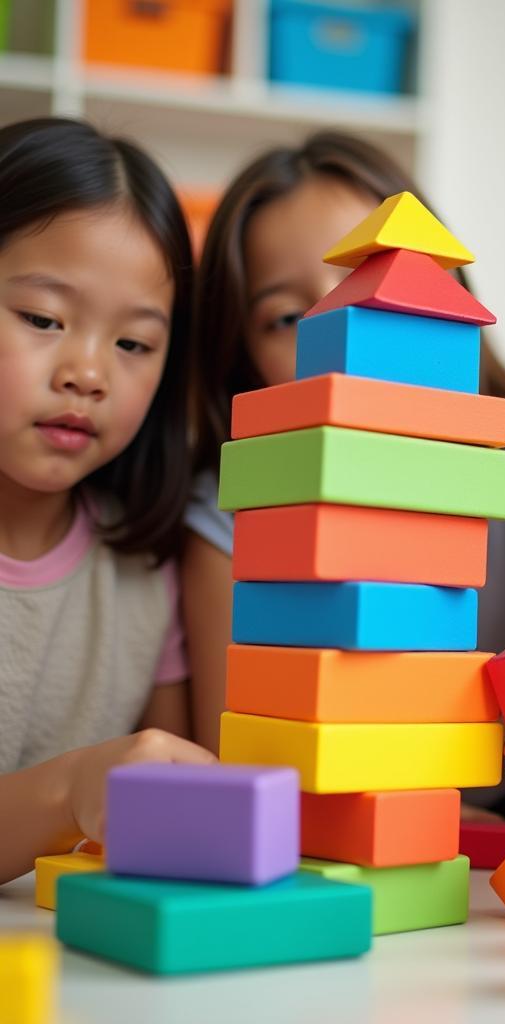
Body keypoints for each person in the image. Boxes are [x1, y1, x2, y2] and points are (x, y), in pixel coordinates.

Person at [183, 132, 505, 813]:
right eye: (287, 316)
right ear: (241, 358)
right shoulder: (231, 513)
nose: (344, 332)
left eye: (368, 279)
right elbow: (246, 771)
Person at [0, 118, 216, 885]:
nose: (87, 373)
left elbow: (172, 806)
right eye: (43, 319)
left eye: (133, 344)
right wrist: (73, 788)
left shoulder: (141, 566)